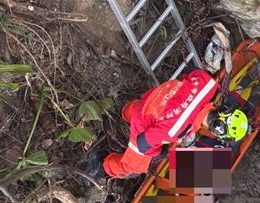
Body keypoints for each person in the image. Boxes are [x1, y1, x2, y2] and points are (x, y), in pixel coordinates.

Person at [86, 68, 250, 179]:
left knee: (136, 109)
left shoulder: (208, 83)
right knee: (132, 169)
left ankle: (122, 111)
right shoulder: (176, 130)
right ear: (217, 130)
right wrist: (159, 151)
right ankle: (99, 164)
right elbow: (144, 143)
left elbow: (190, 71)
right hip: (144, 121)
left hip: (154, 98)